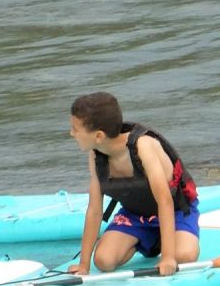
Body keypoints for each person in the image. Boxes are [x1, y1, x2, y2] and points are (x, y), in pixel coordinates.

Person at [68, 91, 200, 276]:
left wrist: (168, 257)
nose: (71, 133)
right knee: (103, 261)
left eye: (75, 129)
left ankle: (167, 243)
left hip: (176, 210)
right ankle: (147, 240)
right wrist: (84, 265)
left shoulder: (143, 147)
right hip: (136, 216)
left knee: (183, 256)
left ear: (98, 135)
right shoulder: (95, 154)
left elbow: (165, 201)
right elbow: (95, 210)